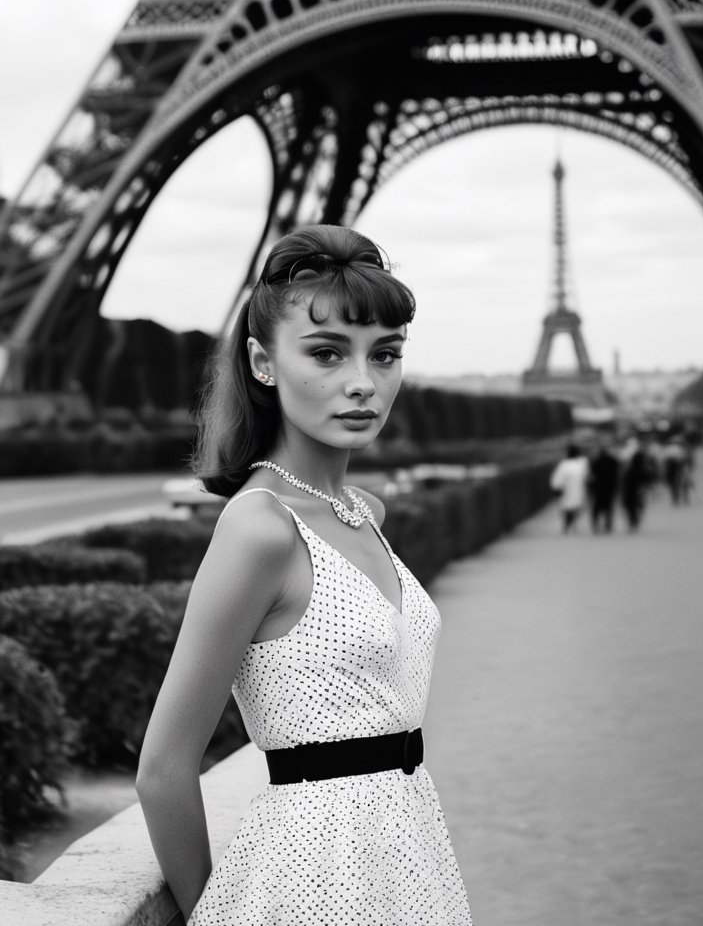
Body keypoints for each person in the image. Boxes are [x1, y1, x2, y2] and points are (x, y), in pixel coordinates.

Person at [137, 225, 472, 925]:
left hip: (409, 856)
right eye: (326, 352)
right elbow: (164, 767)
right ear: (263, 362)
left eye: (386, 355)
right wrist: (216, 915)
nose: (362, 383)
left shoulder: (362, 511)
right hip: (311, 877)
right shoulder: (261, 529)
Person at [549, 442, 590, 533]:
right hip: (577, 489)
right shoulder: (582, 464)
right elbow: (587, 476)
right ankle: (571, 524)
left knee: (568, 508)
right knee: (574, 508)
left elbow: (556, 480)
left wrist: (556, 487)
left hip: (569, 490)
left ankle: (568, 524)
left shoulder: (564, 464)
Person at [621, 436, 656, 532]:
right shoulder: (644, 470)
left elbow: (625, 482)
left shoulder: (630, 471)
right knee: (639, 508)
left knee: (631, 509)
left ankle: (632, 522)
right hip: (640, 493)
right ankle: (635, 522)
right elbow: (649, 482)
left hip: (630, 493)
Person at [588, 442, 621, 534]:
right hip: (609, 488)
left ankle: (595, 524)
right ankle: (608, 525)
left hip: (598, 488)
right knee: (608, 507)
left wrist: (591, 489)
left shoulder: (595, 462)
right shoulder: (613, 461)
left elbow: (592, 476)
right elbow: (616, 475)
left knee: (596, 507)